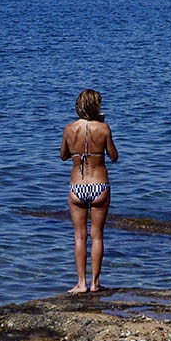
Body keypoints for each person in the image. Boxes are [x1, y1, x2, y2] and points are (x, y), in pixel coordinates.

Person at [60, 88, 119, 293]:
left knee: (79, 236)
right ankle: (95, 284)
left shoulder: (69, 128)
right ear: (96, 107)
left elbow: (63, 156)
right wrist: (102, 126)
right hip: (99, 186)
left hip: (77, 186)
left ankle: (81, 283)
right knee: (98, 236)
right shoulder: (104, 128)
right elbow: (114, 156)